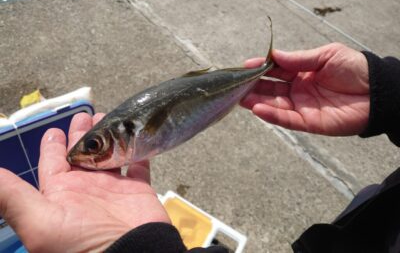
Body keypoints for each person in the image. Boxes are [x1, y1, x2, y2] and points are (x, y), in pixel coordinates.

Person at [0, 42, 399, 252]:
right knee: (367, 200)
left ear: (125, 131)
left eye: (96, 146)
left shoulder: (135, 129)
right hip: (376, 217)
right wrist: (388, 91)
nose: (91, 155)